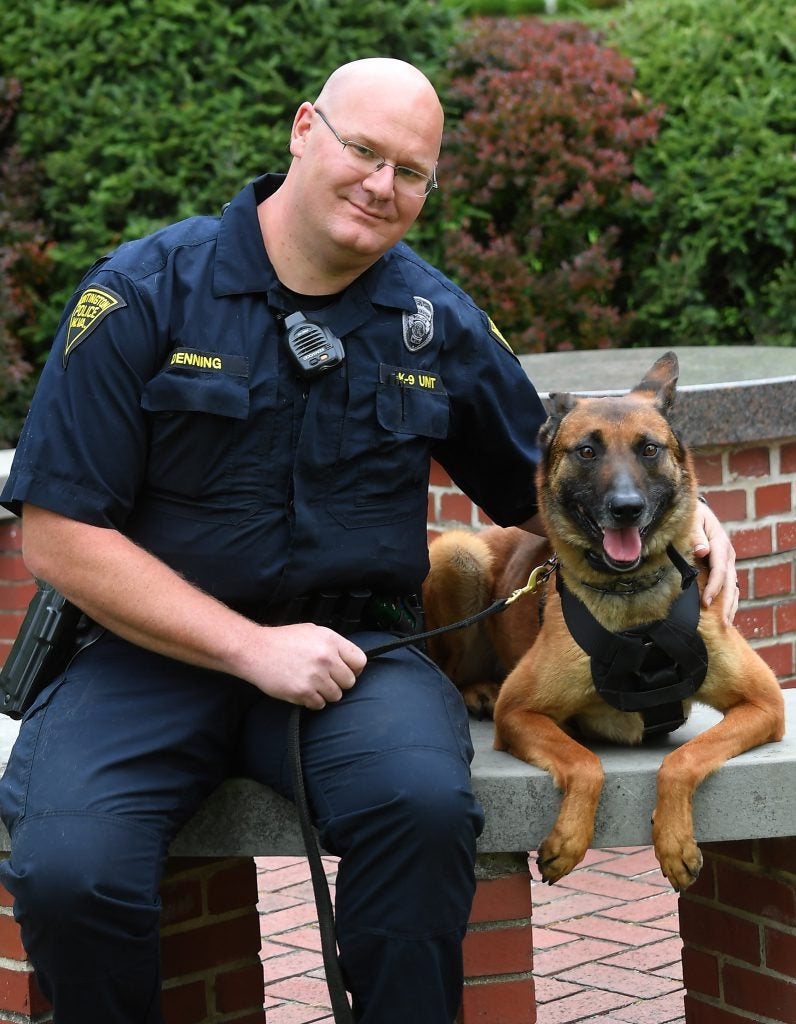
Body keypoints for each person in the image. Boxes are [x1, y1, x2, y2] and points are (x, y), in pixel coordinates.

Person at [0, 58, 737, 1024]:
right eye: (362, 150)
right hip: (146, 656)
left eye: (412, 171)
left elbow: (547, 485)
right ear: (305, 130)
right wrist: (251, 648)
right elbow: (57, 536)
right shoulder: (144, 293)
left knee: (424, 816)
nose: (382, 185)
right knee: (70, 870)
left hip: (358, 657)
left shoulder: (435, 321)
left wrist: (689, 520)